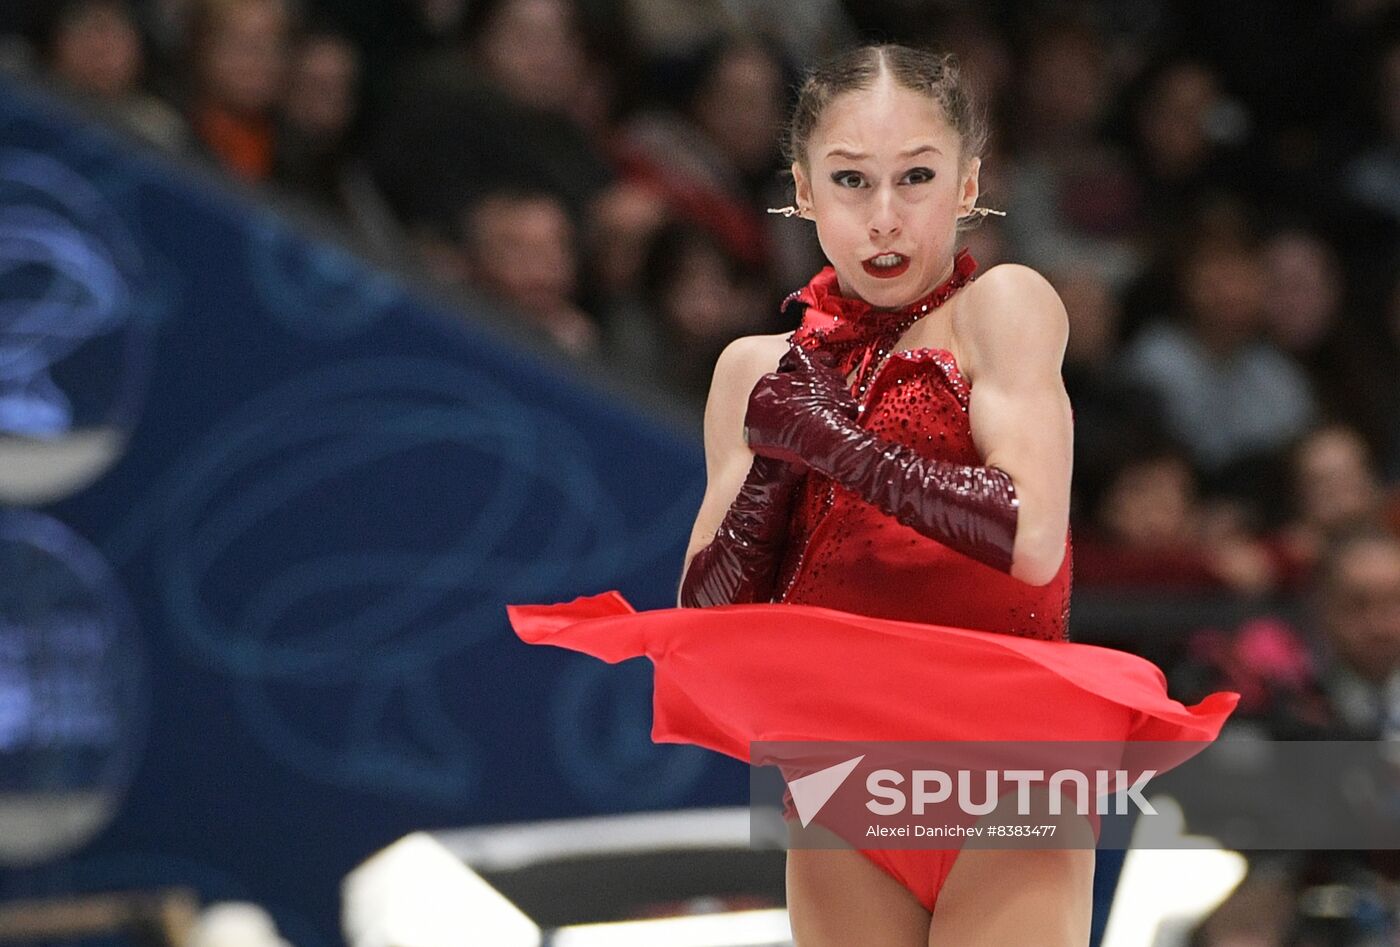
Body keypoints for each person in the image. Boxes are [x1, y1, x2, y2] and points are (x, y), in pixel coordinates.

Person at [507, 43, 1239, 946]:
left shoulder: (1002, 307)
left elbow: (1033, 534)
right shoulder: (755, 369)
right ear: (805, 193)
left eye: (917, 177)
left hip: (1004, 759)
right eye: (851, 182)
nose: (884, 217)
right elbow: (706, 617)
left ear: (970, 184)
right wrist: (776, 466)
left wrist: (831, 443)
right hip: (846, 773)